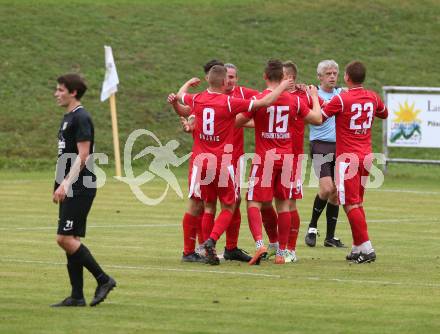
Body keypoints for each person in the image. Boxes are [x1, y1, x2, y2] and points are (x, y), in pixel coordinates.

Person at [176, 64, 294, 265]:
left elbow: (180, 96)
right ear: (224, 82)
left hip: (202, 162)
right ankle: (210, 242)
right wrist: (283, 86)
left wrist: (187, 84)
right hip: (222, 163)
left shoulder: (197, 98)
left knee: (209, 207)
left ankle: (211, 250)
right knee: (230, 206)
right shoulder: (229, 102)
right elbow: (264, 101)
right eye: (228, 78)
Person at [242, 60, 323, 265]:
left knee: (253, 200)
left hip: (265, 157)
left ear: (265, 76)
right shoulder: (294, 101)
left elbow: (237, 121)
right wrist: (314, 97)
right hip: (287, 159)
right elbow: (317, 118)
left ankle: (260, 243)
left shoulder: (259, 98)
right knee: (284, 205)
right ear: (283, 78)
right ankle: (283, 252)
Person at [51, 74, 116, 307]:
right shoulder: (68, 117)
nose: (56, 94)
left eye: (60, 90)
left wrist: (67, 183)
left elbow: (83, 155)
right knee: (72, 239)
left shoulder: (82, 117)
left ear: (73, 92)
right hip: (70, 185)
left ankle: (104, 279)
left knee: (64, 238)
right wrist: (58, 184)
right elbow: (64, 156)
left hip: (81, 185)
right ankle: (77, 296)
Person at [321, 61, 388, 263]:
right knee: (357, 202)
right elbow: (384, 113)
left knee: (350, 204)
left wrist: (313, 100)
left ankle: (367, 248)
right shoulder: (373, 97)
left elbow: (320, 117)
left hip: (347, 158)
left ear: (346, 78)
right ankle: (357, 247)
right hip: (366, 156)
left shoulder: (342, 99)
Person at [282, 61, 325, 262]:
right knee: (266, 204)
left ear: (291, 79)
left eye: (282, 78)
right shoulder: (274, 96)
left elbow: (321, 112)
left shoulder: (302, 97)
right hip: (271, 157)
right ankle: (277, 246)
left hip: (292, 158)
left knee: (289, 204)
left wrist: (311, 94)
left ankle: (290, 249)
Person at [305, 59, 345, 248]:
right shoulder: (313, 95)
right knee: (326, 188)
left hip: (340, 146)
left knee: (336, 192)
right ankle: (312, 227)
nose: (331, 77)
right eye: (328, 74)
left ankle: (330, 237)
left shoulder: (342, 95)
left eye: (334, 73)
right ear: (319, 77)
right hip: (320, 145)